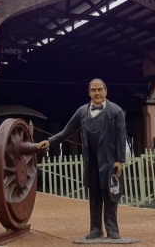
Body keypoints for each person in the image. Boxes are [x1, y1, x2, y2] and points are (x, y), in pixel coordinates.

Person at [37, 79, 126, 240]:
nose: (97, 93)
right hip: (91, 162)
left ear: (106, 91)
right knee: (94, 196)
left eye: (100, 90)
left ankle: (112, 229)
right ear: (89, 92)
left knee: (110, 195)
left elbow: (121, 136)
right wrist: (50, 141)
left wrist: (120, 160)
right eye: (93, 90)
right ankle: (96, 229)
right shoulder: (81, 112)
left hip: (110, 161)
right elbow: (67, 131)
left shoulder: (116, 111)